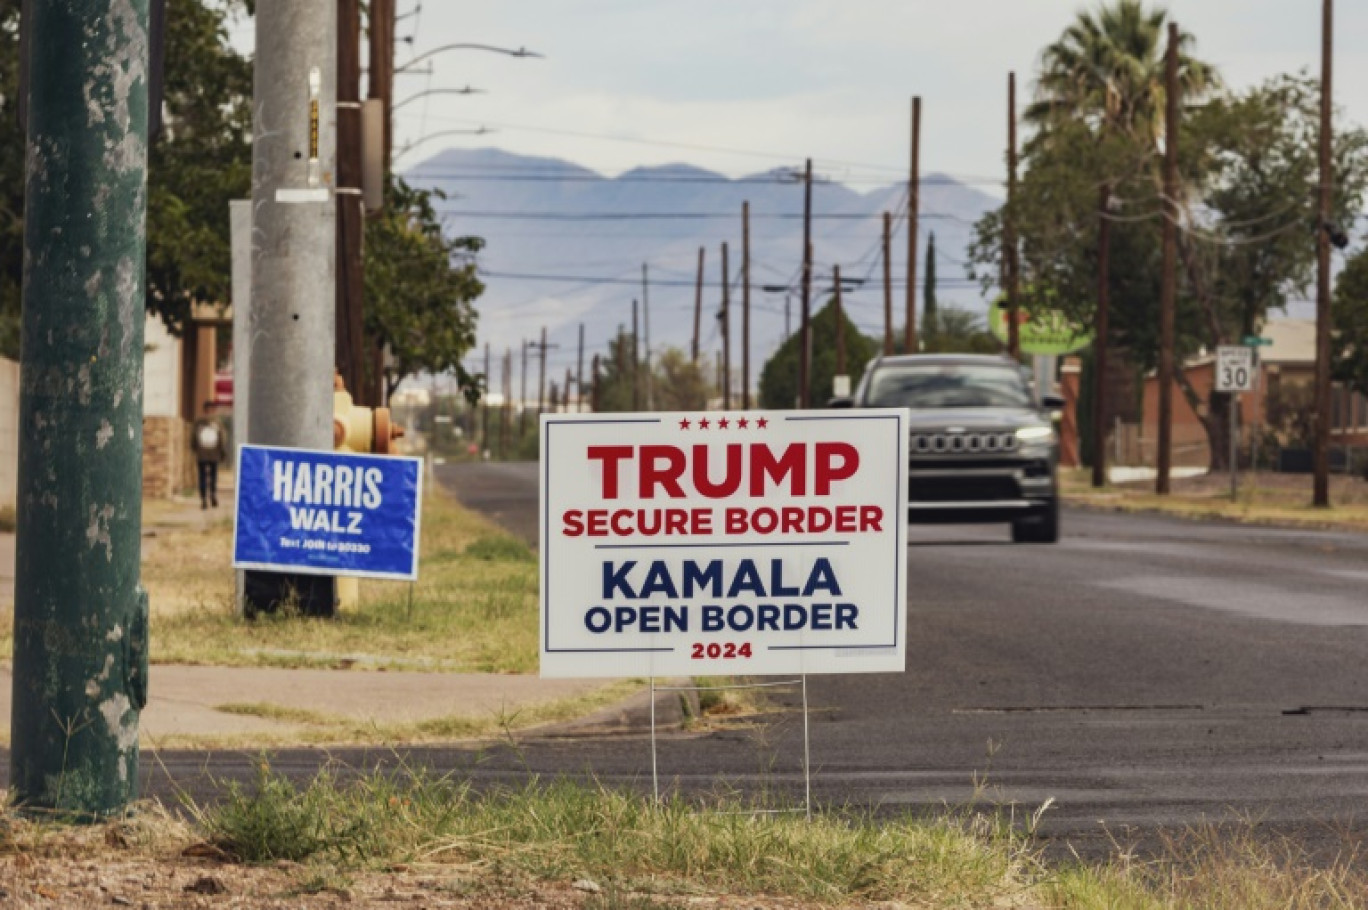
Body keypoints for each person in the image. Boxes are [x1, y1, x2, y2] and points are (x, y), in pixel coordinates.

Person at [192, 403, 227, 509]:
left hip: (202, 453)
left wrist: (195, 449)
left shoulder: (199, 422)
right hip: (213, 453)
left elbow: (193, 438)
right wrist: (222, 451)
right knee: (213, 476)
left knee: (202, 476)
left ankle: (204, 498)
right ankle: (212, 494)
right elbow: (222, 438)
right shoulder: (217, 423)